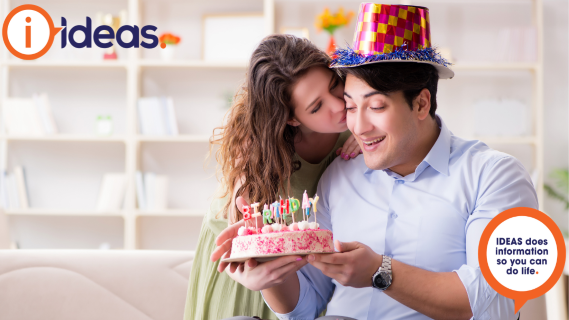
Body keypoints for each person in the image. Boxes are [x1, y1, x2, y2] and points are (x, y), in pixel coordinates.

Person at [212, 4, 535, 320]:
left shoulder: (495, 176)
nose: (358, 126)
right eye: (350, 107)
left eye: (376, 107)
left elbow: (488, 302)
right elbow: (306, 308)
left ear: (421, 103)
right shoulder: (339, 175)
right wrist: (271, 268)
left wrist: (381, 271)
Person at [183, 34, 361, 320]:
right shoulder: (257, 145)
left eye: (334, 86)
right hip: (247, 261)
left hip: (303, 278)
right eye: (316, 107)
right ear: (291, 118)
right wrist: (248, 270)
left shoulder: (356, 124)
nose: (338, 105)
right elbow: (243, 223)